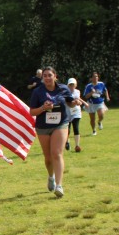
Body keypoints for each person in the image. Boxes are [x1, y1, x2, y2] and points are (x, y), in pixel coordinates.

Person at [29, 67, 79, 198]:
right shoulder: (37, 92)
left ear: (55, 76)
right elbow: (32, 112)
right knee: (48, 158)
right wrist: (43, 108)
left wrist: (75, 102)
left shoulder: (63, 89)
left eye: (49, 75)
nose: (47, 78)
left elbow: (70, 103)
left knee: (57, 153)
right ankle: (51, 176)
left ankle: (59, 185)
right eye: (44, 76)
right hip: (43, 127)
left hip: (60, 124)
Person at [65, 78, 87, 152]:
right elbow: (68, 102)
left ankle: (77, 145)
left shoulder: (77, 91)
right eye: (70, 85)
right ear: (68, 85)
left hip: (76, 112)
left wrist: (83, 103)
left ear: (75, 85)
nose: (71, 86)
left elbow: (78, 99)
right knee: (67, 129)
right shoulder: (65, 92)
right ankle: (67, 142)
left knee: (76, 128)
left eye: (73, 85)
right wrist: (76, 102)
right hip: (67, 112)